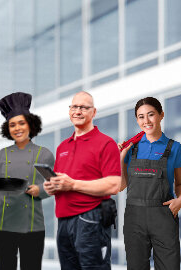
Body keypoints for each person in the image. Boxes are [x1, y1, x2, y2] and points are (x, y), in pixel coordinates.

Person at [44, 91, 123, 270]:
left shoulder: (106, 143)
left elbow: (114, 184)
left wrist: (72, 184)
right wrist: (53, 186)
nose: (78, 111)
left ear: (93, 112)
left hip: (91, 219)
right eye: (74, 107)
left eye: (83, 107)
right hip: (64, 221)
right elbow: (63, 182)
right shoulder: (62, 147)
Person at [118, 97, 181, 270]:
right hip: (134, 218)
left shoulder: (175, 147)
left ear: (161, 115)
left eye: (151, 115)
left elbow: (180, 184)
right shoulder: (131, 149)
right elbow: (120, 186)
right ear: (137, 120)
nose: (146, 121)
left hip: (163, 216)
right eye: (141, 117)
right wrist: (120, 157)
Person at [0, 92, 54, 270]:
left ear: (30, 125)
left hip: (32, 225)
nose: (17, 128)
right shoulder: (2, 154)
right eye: (12, 125)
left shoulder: (44, 153)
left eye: (21, 123)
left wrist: (39, 190)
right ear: (7, 129)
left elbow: (55, 185)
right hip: (4, 224)